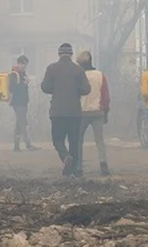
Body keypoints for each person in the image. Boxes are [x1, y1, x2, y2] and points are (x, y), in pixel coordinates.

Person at [41, 43, 91, 176]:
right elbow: (87, 89)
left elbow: (45, 87)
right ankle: (74, 171)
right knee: (74, 141)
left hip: (57, 111)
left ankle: (65, 156)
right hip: (74, 112)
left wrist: (55, 89)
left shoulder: (51, 68)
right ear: (71, 54)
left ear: (59, 54)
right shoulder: (78, 70)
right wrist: (75, 91)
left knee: (58, 140)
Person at [77, 51, 111, 176]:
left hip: (82, 112)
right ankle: (103, 164)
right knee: (99, 140)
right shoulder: (100, 75)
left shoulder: (79, 76)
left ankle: (79, 166)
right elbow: (106, 96)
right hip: (98, 111)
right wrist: (106, 112)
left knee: (78, 140)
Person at [8, 55, 37, 151]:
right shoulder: (14, 74)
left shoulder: (23, 73)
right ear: (19, 63)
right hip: (17, 102)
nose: (24, 66)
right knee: (23, 122)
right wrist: (23, 84)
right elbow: (12, 88)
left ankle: (16, 147)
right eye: (23, 64)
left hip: (23, 102)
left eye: (25, 64)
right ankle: (28, 144)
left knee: (19, 124)